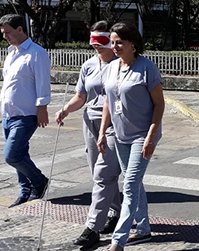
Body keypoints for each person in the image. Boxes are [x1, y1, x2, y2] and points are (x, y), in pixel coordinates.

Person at [54, 21, 121, 247]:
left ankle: (93, 227)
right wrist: (65, 110)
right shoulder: (88, 65)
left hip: (114, 125)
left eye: (101, 42)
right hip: (90, 122)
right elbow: (81, 96)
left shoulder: (122, 64)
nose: (97, 47)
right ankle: (119, 212)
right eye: (93, 42)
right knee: (98, 173)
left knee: (103, 175)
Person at [99, 22, 165, 251]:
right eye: (113, 42)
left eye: (120, 42)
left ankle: (118, 240)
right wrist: (102, 132)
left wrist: (151, 136)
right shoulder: (111, 67)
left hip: (142, 136)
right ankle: (144, 229)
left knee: (129, 186)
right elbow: (108, 101)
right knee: (133, 183)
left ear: (133, 44)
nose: (114, 46)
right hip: (120, 135)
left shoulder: (147, 67)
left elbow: (159, 104)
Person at [0, 14, 51, 208]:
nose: (5, 36)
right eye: (3, 33)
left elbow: (43, 82)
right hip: (8, 113)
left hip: (26, 114)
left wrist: (42, 108)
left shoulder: (36, 53)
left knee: (12, 155)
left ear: (20, 29)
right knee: (21, 154)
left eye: (8, 32)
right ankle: (25, 190)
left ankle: (39, 182)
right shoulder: (11, 53)